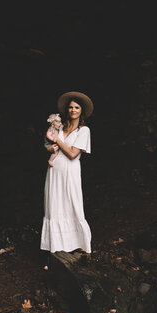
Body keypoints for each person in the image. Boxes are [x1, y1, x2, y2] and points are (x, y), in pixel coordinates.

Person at [41, 91, 93, 253]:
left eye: (76, 107)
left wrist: (57, 140)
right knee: (54, 206)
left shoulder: (83, 131)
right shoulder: (61, 127)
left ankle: (79, 245)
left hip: (70, 172)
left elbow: (72, 154)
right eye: (70, 107)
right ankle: (55, 248)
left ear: (81, 111)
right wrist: (50, 146)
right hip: (55, 171)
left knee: (72, 205)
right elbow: (49, 144)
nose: (73, 110)